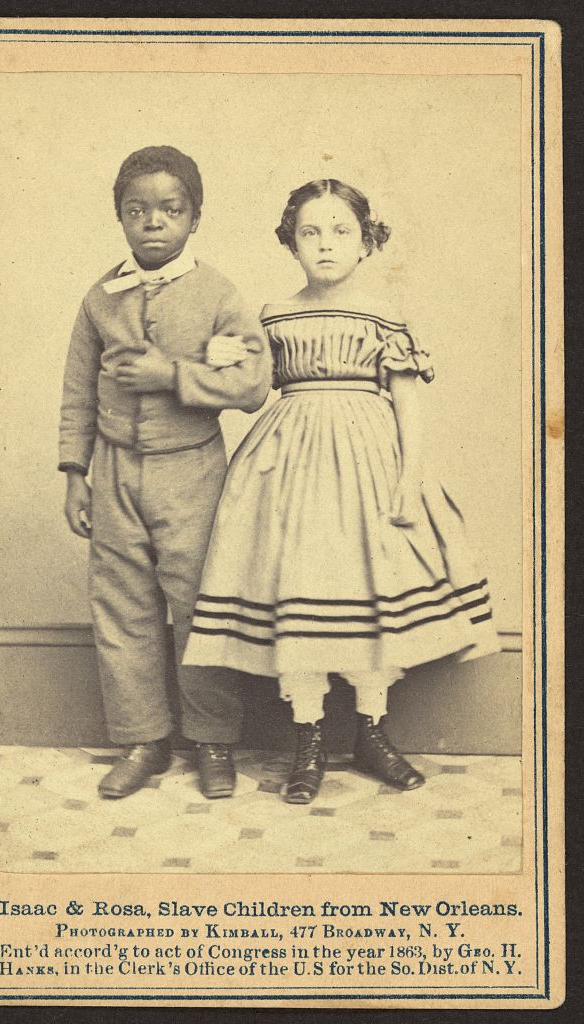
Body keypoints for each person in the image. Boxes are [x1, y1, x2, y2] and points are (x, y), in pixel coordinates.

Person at [184, 178, 500, 804]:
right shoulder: (273, 313)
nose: (325, 245)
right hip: (287, 469)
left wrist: (408, 480)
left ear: (366, 242)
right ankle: (309, 742)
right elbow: (251, 387)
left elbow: (407, 401)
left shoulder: (384, 314)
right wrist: (217, 354)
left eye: (340, 231)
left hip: (368, 464)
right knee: (300, 592)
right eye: (309, 232)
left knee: (369, 593)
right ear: (290, 243)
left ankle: (373, 734)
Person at [58, 146, 271, 800]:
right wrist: (75, 472)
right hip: (115, 473)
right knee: (122, 610)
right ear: (120, 218)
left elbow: (251, 382)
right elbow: (76, 391)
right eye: (137, 210)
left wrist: (172, 376)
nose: (153, 222)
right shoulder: (101, 297)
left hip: (193, 475)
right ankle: (142, 740)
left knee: (201, 608)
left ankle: (213, 741)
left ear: (194, 218)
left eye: (170, 210)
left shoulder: (216, 296)